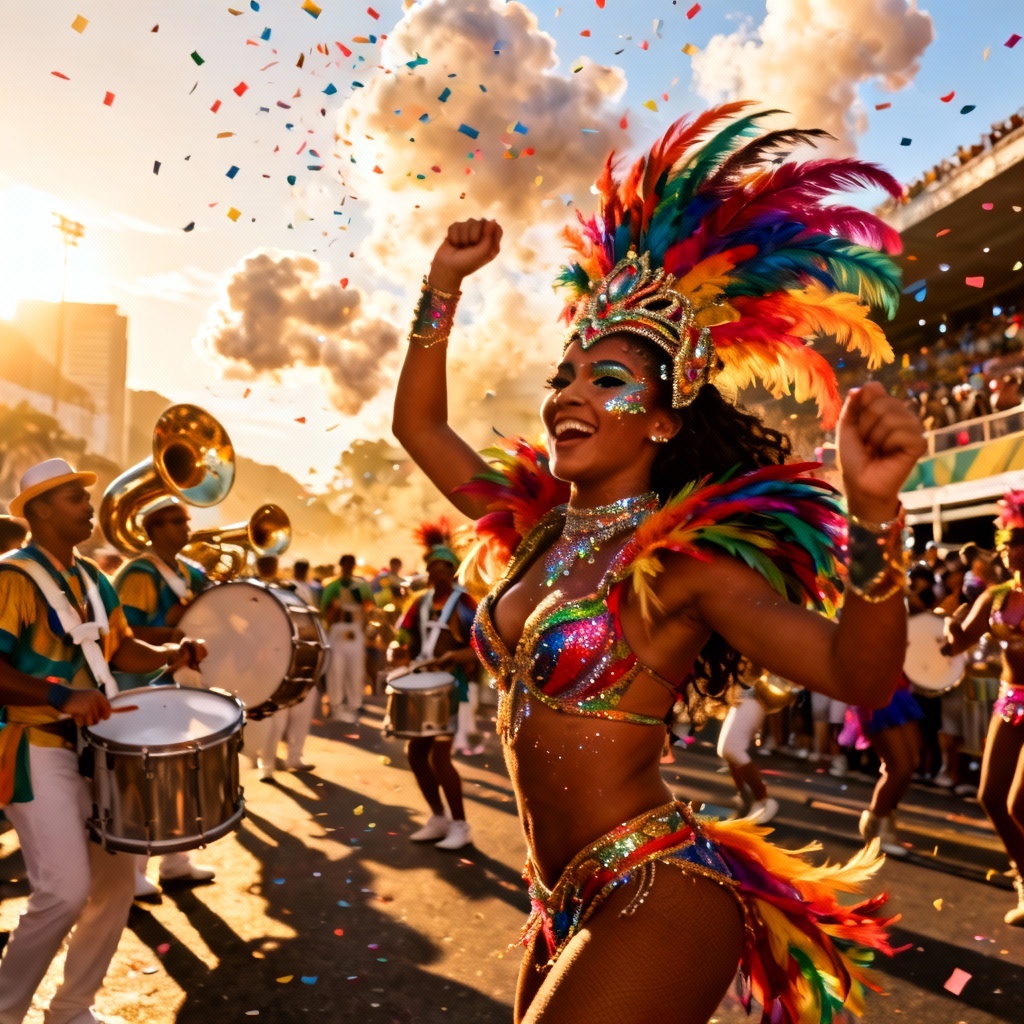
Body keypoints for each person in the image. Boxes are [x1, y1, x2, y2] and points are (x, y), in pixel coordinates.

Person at [392, 105, 926, 1023]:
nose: (569, 393)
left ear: (664, 420)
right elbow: (420, 428)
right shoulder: (536, 533)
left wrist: (875, 515)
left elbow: (860, 671)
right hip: (559, 898)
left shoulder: (683, 568)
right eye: (565, 375)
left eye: (608, 381)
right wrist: (443, 285)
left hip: (655, 891)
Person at [0, 458, 207, 1024]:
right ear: (39, 510)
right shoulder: (11, 578)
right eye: (72, 497)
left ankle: (71, 1008)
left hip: (96, 750)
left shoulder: (92, 576)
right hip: (34, 747)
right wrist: (59, 694)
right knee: (63, 891)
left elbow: (117, 649)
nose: (88, 504)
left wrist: (171, 655)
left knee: (115, 884)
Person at [111, 496, 216, 896]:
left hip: (179, 683)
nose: (182, 528)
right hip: (144, 685)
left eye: (184, 520)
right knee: (140, 777)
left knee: (182, 772)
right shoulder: (139, 573)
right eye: (171, 522)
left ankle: (177, 860)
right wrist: (177, 636)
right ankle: (134, 870)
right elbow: (126, 635)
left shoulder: (191, 571)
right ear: (151, 529)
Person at [942, 490, 1024, 926]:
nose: (1012, 549)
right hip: (1011, 702)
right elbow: (956, 644)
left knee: (1019, 804)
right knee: (991, 797)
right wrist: (947, 628)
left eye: (1021, 539)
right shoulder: (994, 598)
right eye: (1008, 539)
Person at [390, 528, 479, 850]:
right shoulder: (420, 602)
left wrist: (459, 655)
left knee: (440, 758)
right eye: (431, 569)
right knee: (415, 754)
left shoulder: (466, 601)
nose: (433, 574)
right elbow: (403, 635)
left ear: (451, 571)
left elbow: (481, 644)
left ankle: (460, 824)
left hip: (449, 688)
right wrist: (396, 650)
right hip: (422, 684)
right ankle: (438, 817)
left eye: (440, 569)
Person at [841, 566, 930, 857]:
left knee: (909, 764)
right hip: (876, 692)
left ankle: (885, 823)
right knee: (898, 767)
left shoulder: (896, 609)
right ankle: (876, 829)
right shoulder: (858, 613)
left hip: (900, 690)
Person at [253, 554, 318, 780]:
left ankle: (294, 757)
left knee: (302, 710)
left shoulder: (292, 589)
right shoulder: (252, 589)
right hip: (272, 660)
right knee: (275, 719)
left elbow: (310, 621)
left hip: (299, 656)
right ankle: (267, 765)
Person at [715, 662, 780, 824]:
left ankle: (763, 800)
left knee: (732, 748)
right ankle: (747, 799)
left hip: (757, 693)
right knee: (726, 750)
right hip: (744, 691)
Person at [320, 554, 373, 722]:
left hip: (355, 631)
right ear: (341, 565)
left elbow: (370, 608)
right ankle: (335, 703)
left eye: (352, 564)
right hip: (338, 630)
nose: (349, 567)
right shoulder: (332, 586)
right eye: (346, 564)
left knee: (356, 670)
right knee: (336, 669)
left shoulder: (362, 586)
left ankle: (355, 703)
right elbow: (324, 609)